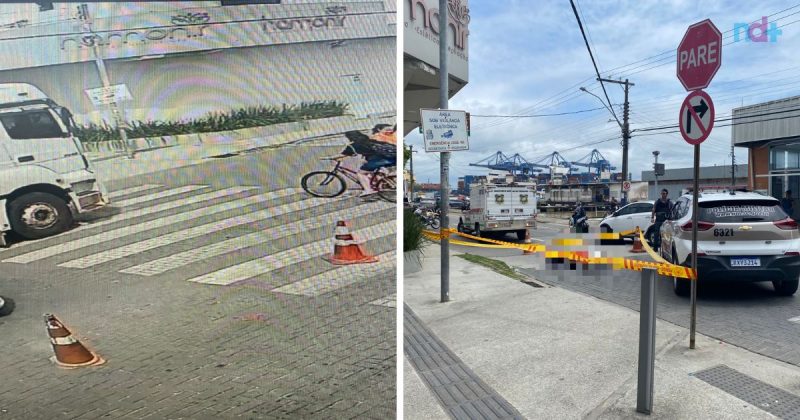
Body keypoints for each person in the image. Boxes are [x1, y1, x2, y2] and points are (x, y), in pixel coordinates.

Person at [342, 128, 396, 197]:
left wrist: (327, 158)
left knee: (361, 173)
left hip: (380, 160)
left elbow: (341, 155)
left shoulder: (353, 145)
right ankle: (382, 184)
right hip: (392, 158)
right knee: (372, 170)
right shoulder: (371, 141)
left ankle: (368, 190)